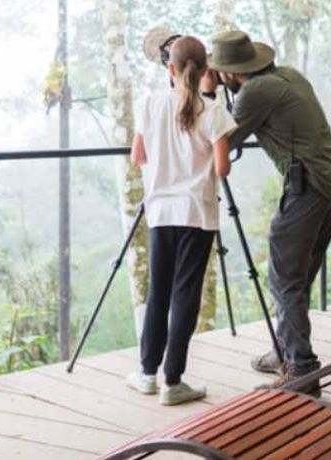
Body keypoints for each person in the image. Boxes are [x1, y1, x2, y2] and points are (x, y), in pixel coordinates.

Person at [205, 30, 331, 390]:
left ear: (229, 72)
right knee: (296, 278)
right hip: (330, 184)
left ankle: (301, 369)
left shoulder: (256, 91)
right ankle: (285, 350)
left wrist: (207, 94)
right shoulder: (288, 75)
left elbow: (222, 141)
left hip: (309, 187)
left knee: (285, 279)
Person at [123, 35, 237, 406]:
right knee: (185, 294)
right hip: (197, 213)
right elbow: (222, 168)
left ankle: (146, 374)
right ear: (205, 71)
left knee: (159, 292)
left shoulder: (152, 104)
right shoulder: (214, 111)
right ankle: (174, 381)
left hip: (160, 212)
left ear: (170, 70)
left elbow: (137, 157)